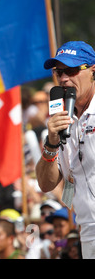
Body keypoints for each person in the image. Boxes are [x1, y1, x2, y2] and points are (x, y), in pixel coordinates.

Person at [35, 41, 95, 259]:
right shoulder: (58, 120)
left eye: (71, 71)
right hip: (87, 232)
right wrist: (51, 143)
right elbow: (45, 183)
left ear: (92, 70)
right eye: (58, 72)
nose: (63, 79)